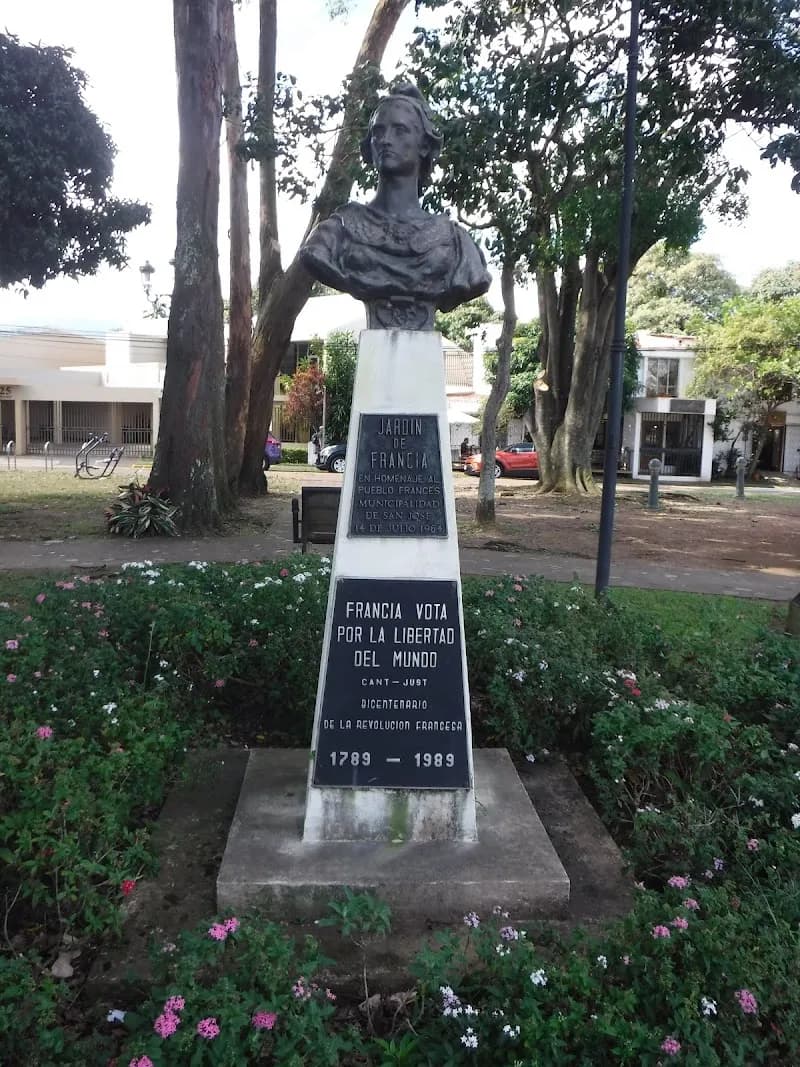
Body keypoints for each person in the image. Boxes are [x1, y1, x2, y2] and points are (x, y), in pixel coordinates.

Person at [300, 84, 490, 330]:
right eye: (378, 132)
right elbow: (313, 257)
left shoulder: (456, 243)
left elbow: (476, 280)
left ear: (424, 145)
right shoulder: (335, 233)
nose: (386, 140)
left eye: (400, 130)